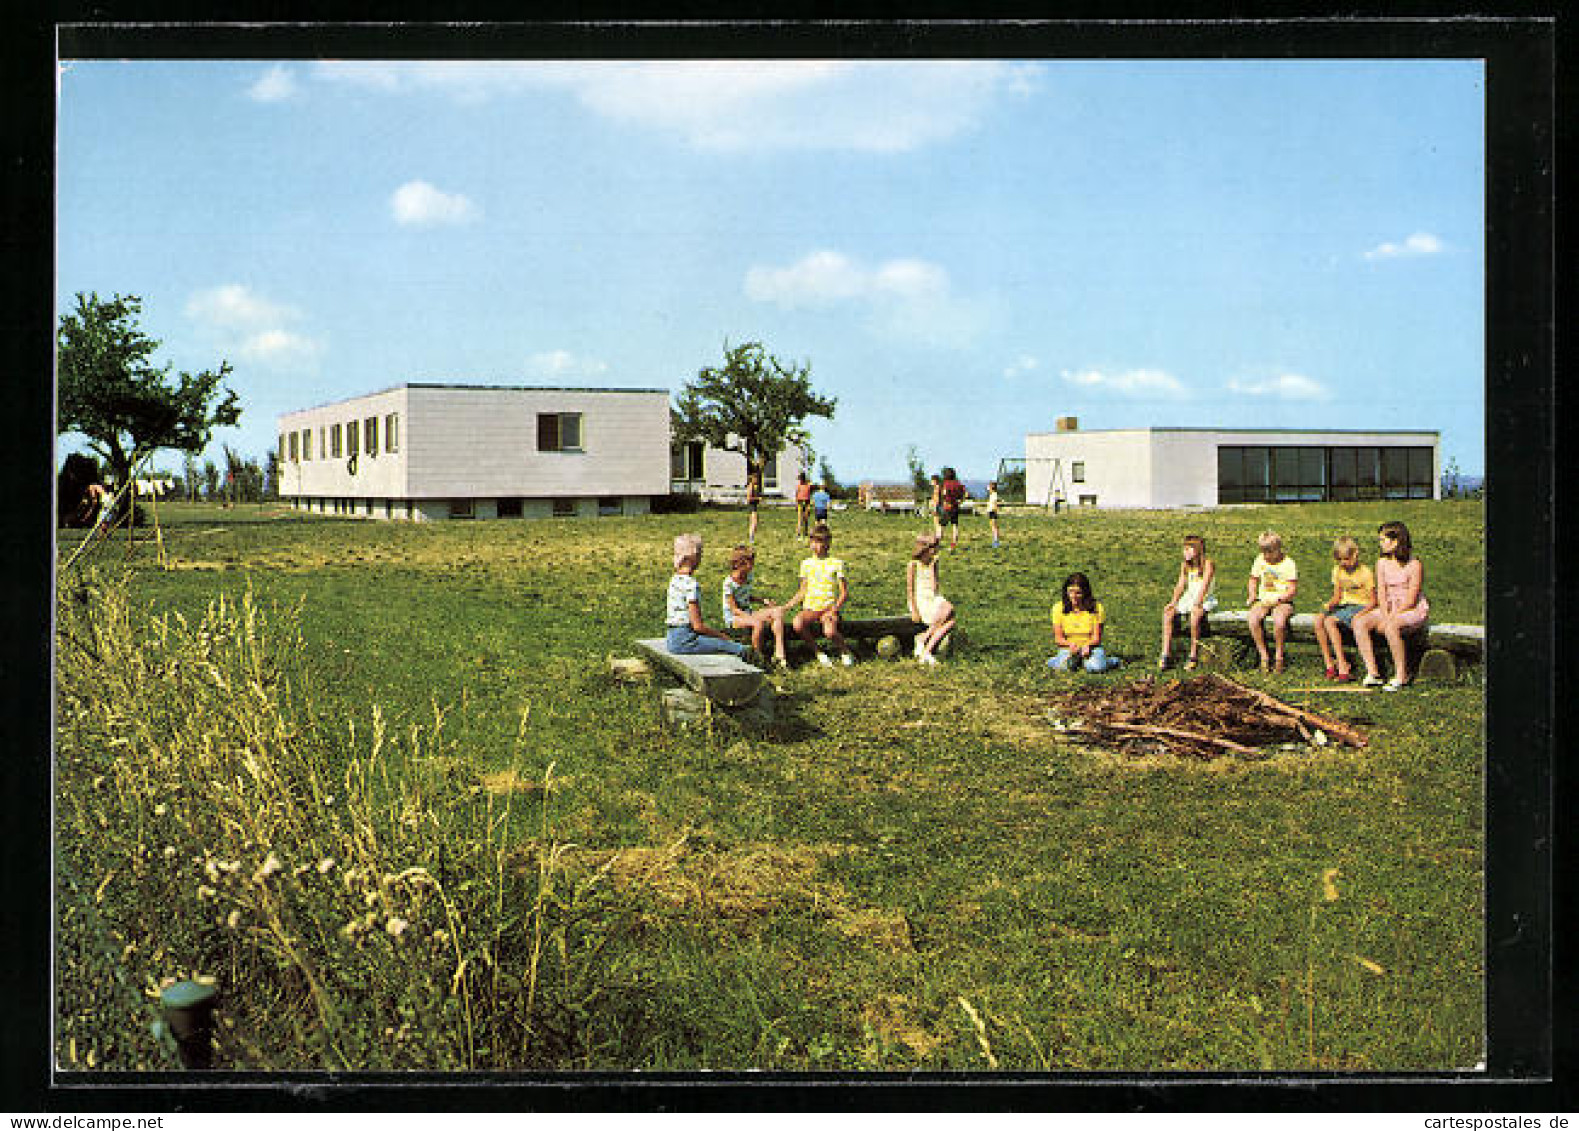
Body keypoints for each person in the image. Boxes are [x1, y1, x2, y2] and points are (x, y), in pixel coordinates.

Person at [1351, 521, 1429, 691]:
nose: (1380, 543)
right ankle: (1373, 673)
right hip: (1389, 606)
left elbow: (1411, 598)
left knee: (1391, 627)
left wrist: (1391, 618)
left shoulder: (1414, 564)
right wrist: (1386, 614)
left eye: (1383, 540)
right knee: (1359, 622)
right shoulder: (1382, 563)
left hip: (1410, 609)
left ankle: (1402, 675)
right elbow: (1381, 592)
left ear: (1396, 541)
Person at [664, 534, 750, 659]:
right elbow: (698, 626)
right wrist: (721, 636)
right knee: (732, 646)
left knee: (718, 642)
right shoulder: (691, 584)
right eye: (699, 555)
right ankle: (757, 663)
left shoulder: (675, 579)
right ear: (693, 558)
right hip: (685, 640)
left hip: (672, 638)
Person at [784, 523, 853, 666]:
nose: (815, 545)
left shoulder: (836, 563)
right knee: (798, 623)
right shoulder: (806, 564)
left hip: (828, 608)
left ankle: (845, 651)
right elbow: (802, 590)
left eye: (819, 541)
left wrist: (834, 609)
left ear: (828, 543)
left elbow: (844, 592)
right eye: (813, 541)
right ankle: (818, 652)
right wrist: (787, 606)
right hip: (811, 608)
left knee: (829, 632)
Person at [1312, 535, 1376, 683]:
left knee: (1330, 622)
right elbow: (1337, 596)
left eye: (1346, 559)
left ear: (1355, 554)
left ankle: (1342, 664)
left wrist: (1359, 615)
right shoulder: (1338, 570)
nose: (1343, 563)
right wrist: (1329, 605)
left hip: (1361, 606)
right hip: (1344, 606)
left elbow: (1373, 601)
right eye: (1340, 560)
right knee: (1318, 620)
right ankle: (1329, 663)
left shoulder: (1365, 572)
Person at [723, 544, 789, 667]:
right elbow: (734, 609)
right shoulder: (729, 583)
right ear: (739, 564)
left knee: (777, 611)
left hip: (747, 612)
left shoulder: (749, 576)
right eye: (750, 563)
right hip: (734, 618)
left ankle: (780, 653)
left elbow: (746, 596)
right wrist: (751, 618)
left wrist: (762, 601)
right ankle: (757, 657)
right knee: (758, 623)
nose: (752, 566)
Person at [1158, 534, 1217, 670]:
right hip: (1188, 597)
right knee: (1168, 614)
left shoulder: (1207, 564)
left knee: (1194, 617)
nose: (1186, 552)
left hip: (1204, 598)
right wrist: (1173, 602)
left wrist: (1198, 602)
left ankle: (1193, 653)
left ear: (1198, 550)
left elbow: (1205, 585)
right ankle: (1165, 653)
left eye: (1190, 549)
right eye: (1184, 549)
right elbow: (1180, 585)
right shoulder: (1185, 566)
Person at [1246, 531, 1299, 673]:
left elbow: (1292, 588)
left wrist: (1282, 598)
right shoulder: (1260, 560)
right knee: (1252, 619)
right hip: (1264, 599)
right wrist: (1252, 594)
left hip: (1282, 601)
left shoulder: (1288, 563)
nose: (1267, 555)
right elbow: (1253, 579)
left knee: (1279, 621)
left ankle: (1279, 655)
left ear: (1278, 549)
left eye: (1270, 552)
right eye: (1264, 552)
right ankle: (1264, 655)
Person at [1048, 572, 1121, 672]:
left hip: (1091, 647)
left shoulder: (1096, 608)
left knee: (1095, 668)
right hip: (1069, 647)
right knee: (1064, 668)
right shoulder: (1058, 608)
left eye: (1078, 593)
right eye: (1070, 592)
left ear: (1085, 593)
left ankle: (1110, 661)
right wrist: (1070, 645)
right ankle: (1057, 660)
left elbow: (1096, 638)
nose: (1073, 596)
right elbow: (1058, 638)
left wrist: (1087, 646)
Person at [906, 533, 956, 665]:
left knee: (951, 619)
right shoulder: (913, 565)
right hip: (920, 599)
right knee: (949, 618)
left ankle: (925, 646)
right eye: (934, 547)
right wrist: (914, 610)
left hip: (932, 597)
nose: (936, 550)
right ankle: (925, 648)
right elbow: (910, 590)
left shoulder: (933, 563)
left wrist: (934, 568)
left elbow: (935, 587)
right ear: (925, 548)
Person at [937, 467, 967, 549]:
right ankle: (953, 545)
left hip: (947, 507)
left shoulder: (945, 484)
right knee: (955, 526)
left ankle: (937, 544)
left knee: (941, 526)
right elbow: (965, 493)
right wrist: (960, 501)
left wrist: (943, 501)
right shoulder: (958, 484)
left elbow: (944, 494)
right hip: (955, 507)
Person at [745, 469, 763, 545]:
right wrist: (757, 498)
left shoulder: (754, 487)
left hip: (754, 506)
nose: (756, 480)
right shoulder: (750, 487)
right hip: (752, 506)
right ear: (752, 479)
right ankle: (751, 538)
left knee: (754, 522)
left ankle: (752, 537)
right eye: (755, 479)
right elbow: (749, 498)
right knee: (754, 523)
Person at [793, 472, 813, 539]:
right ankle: (799, 533)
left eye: (800, 479)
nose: (800, 480)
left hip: (806, 502)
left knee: (806, 518)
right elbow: (796, 495)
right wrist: (796, 503)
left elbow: (809, 495)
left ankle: (805, 532)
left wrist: (809, 506)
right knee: (800, 519)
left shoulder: (807, 486)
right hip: (800, 502)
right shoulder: (799, 486)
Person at [985, 481, 1002, 548]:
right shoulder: (992, 495)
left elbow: (995, 503)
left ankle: (996, 541)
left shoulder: (994, 494)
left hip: (993, 512)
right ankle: (995, 540)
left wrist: (995, 510)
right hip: (991, 511)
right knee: (993, 527)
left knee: (994, 527)